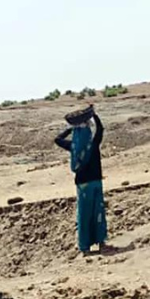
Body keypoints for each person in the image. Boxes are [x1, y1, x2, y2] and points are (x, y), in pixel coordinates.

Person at [55, 108, 109, 254]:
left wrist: (70, 129)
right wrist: (95, 115)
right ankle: (101, 242)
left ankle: (85, 247)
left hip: (82, 185)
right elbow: (100, 129)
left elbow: (57, 140)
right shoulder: (93, 144)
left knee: (84, 214)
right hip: (96, 181)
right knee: (98, 212)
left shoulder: (74, 146)